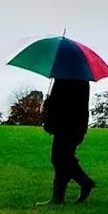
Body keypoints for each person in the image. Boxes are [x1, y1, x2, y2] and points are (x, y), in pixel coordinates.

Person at [38, 77, 95, 205]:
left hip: (67, 125)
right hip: (75, 125)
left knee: (60, 158)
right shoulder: (81, 78)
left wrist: (48, 104)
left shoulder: (66, 78)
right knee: (63, 158)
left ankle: (83, 183)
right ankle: (59, 197)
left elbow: (62, 103)